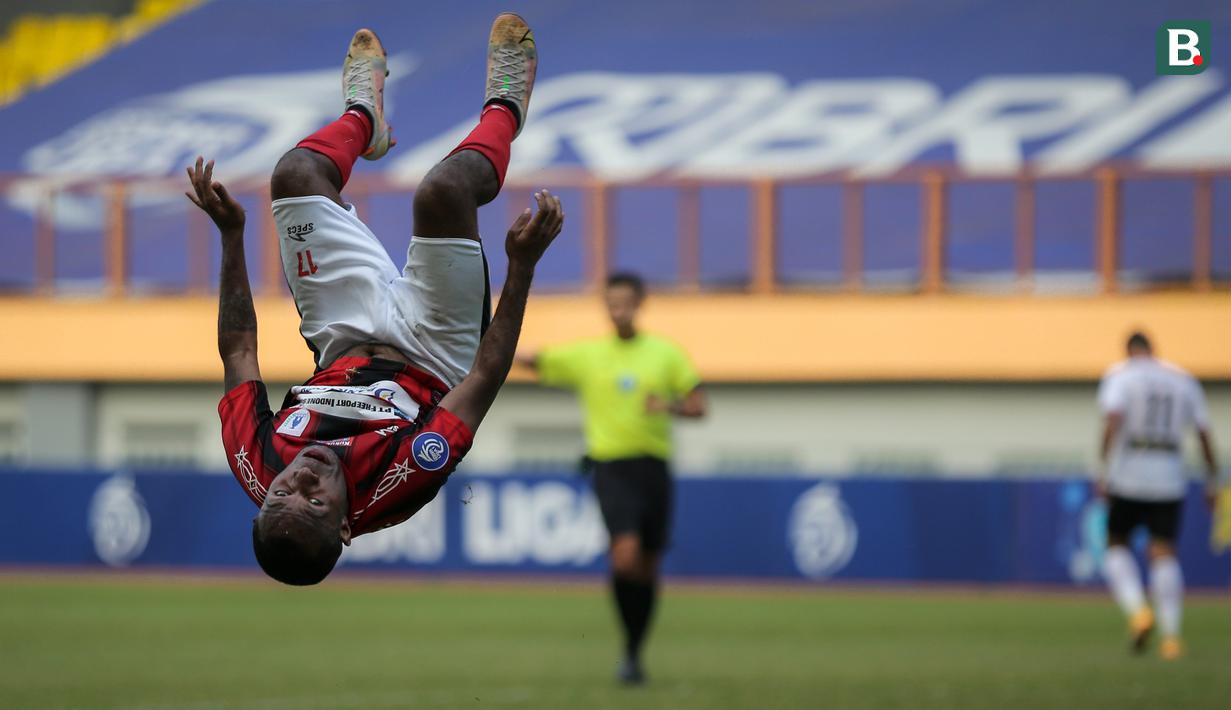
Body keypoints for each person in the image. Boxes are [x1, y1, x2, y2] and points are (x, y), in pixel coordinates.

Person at [185, 15, 563, 585]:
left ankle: (364, 118)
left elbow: (238, 349)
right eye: (314, 502)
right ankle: (505, 107)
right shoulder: (404, 480)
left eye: (281, 494)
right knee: (444, 191)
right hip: (434, 351)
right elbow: (484, 378)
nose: (301, 479)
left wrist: (231, 237)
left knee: (293, 174)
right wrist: (522, 267)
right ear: (344, 528)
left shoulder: (256, 463)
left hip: (340, 335)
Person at [519, 272, 707, 684]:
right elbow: (534, 359)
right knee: (625, 556)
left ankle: (634, 652)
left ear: (640, 303)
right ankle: (630, 649)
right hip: (611, 467)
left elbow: (699, 406)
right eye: (611, 302)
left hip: (654, 468)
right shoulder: (589, 355)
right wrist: (493, 339)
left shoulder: (665, 354)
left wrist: (669, 406)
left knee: (648, 566)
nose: (617, 309)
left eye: (624, 301)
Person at [1096, 331, 1220, 659]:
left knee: (1116, 543)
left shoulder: (1120, 376)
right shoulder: (1182, 380)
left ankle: (1139, 611)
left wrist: (1102, 468)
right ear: (1153, 350)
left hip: (1129, 472)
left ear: (1129, 351)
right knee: (1164, 551)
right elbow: (1204, 434)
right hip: (1168, 474)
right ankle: (1171, 638)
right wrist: (1213, 480)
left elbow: (1112, 419)